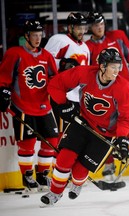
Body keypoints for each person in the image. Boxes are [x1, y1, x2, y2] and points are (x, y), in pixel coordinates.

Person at [40, 48, 129, 206]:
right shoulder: (84, 73)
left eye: (119, 66)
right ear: (103, 66)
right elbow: (56, 84)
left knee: (79, 171)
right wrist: (63, 105)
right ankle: (54, 193)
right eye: (113, 66)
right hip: (83, 123)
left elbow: (126, 118)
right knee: (64, 159)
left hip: (106, 134)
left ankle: (77, 184)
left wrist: (122, 138)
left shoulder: (123, 88)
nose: (117, 70)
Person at [85, 12, 129, 180]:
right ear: (90, 27)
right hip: (104, 95)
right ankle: (108, 165)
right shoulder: (87, 46)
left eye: (101, 24)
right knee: (106, 130)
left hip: (125, 90)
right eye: (95, 25)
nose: (99, 27)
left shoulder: (118, 36)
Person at [0, 20, 59, 191]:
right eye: (34, 35)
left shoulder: (46, 56)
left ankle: (42, 175)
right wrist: (3, 91)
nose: (38, 38)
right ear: (26, 36)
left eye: (40, 35)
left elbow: (54, 79)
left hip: (44, 107)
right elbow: (4, 77)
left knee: (52, 141)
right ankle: (27, 177)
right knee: (28, 143)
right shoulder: (14, 54)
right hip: (23, 107)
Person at [44, 12, 90, 145]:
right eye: (78, 28)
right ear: (70, 28)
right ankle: (55, 164)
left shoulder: (85, 47)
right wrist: (62, 63)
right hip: (62, 96)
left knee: (73, 135)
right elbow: (44, 61)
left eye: (83, 28)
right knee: (59, 134)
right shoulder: (59, 40)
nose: (82, 31)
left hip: (78, 98)